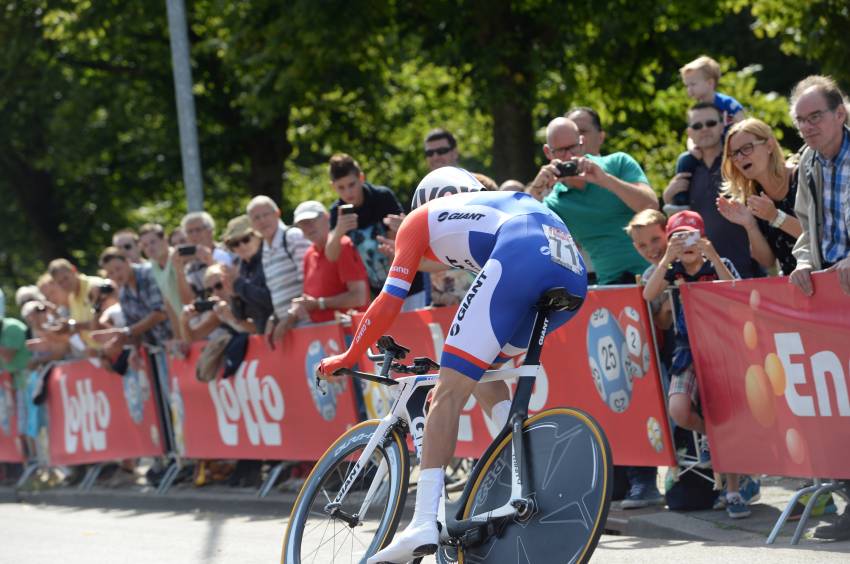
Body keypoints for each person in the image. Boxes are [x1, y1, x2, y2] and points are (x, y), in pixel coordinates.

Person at [317, 167, 588, 563]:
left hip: (519, 254)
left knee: (446, 390)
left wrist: (348, 355)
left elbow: (390, 301)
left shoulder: (418, 219)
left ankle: (424, 522)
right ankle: (525, 473)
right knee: (479, 372)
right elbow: (441, 262)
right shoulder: (486, 206)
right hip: (570, 270)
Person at [642, 211, 761, 519]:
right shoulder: (672, 269)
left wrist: (714, 255)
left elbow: (735, 289)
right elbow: (647, 294)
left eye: (692, 236)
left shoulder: (715, 263)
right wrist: (667, 258)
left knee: (724, 414)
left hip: (723, 348)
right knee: (680, 410)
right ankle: (711, 435)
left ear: (703, 237)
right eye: (679, 238)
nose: (687, 244)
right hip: (687, 349)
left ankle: (733, 491)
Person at [785, 75, 850, 540]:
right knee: (840, 405)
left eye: (816, 117)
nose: (808, 127)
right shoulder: (808, 163)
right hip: (832, 298)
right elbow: (808, 228)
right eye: (801, 120)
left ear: (840, 114)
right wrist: (804, 261)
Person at [532, 116, 658, 285]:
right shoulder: (555, 203)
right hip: (611, 286)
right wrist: (535, 191)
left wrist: (604, 179)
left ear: (582, 142)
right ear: (548, 152)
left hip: (656, 276)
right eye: (561, 151)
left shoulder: (618, 163)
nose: (569, 156)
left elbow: (651, 206)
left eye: (573, 148)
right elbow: (527, 237)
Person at [663, 103, 760, 279]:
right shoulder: (686, 169)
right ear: (689, 133)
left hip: (746, 271)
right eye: (697, 126)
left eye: (711, 123)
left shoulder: (737, 162)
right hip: (701, 277)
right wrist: (668, 199)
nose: (704, 129)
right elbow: (678, 229)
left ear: (722, 125)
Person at [327, 153, 427, 308]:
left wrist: (402, 227)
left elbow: (401, 236)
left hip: (409, 285)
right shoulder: (337, 211)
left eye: (352, 184)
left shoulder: (382, 197)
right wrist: (339, 231)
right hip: (377, 295)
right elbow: (331, 256)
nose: (348, 192)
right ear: (333, 187)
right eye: (341, 187)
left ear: (361, 178)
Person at [717, 118, 803, 275]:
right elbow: (767, 262)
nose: (739, 158)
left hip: (830, 276)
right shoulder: (752, 198)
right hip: (794, 286)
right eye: (734, 153)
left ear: (769, 146)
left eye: (746, 148)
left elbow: (820, 237)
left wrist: (775, 216)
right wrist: (749, 225)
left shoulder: (802, 177)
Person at [670, 56, 746, 211]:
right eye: (687, 86)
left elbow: (742, 123)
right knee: (685, 160)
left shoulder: (726, 103)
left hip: (728, 146)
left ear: (710, 83)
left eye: (693, 84)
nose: (689, 90)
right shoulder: (697, 109)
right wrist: (692, 148)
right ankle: (682, 198)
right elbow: (692, 134)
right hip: (705, 150)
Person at [289, 201, 369, 323]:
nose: (307, 227)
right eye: (302, 223)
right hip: (324, 335)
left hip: (350, 332)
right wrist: (303, 305)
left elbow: (358, 297)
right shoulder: (309, 254)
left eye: (311, 220)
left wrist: (319, 304)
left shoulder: (343, 245)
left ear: (327, 217)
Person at [247, 196, 311, 344]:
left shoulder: (293, 237)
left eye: (266, 214)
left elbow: (309, 284)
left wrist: (288, 320)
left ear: (277, 213)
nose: (262, 220)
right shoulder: (264, 249)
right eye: (256, 218)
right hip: (291, 330)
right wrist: (275, 318)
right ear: (252, 224)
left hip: (308, 324)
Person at [93, 248, 173, 353]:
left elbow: (161, 313)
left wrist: (126, 333)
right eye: (111, 273)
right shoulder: (123, 293)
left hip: (178, 342)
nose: (116, 275)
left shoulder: (149, 272)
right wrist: (133, 351)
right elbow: (134, 330)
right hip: (158, 350)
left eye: (118, 269)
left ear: (127, 261)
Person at [139, 223, 192, 340]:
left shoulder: (179, 257)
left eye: (153, 242)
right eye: (145, 245)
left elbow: (190, 297)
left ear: (165, 240)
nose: (149, 248)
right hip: (187, 327)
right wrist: (178, 338)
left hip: (199, 321)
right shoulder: (153, 264)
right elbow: (168, 303)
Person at [222, 215, 273, 334]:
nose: (241, 246)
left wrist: (239, 284)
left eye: (245, 239)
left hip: (285, 331)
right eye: (235, 243)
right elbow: (241, 316)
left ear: (258, 237)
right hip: (264, 336)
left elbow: (269, 301)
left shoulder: (269, 258)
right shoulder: (241, 267)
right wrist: (234, 296)